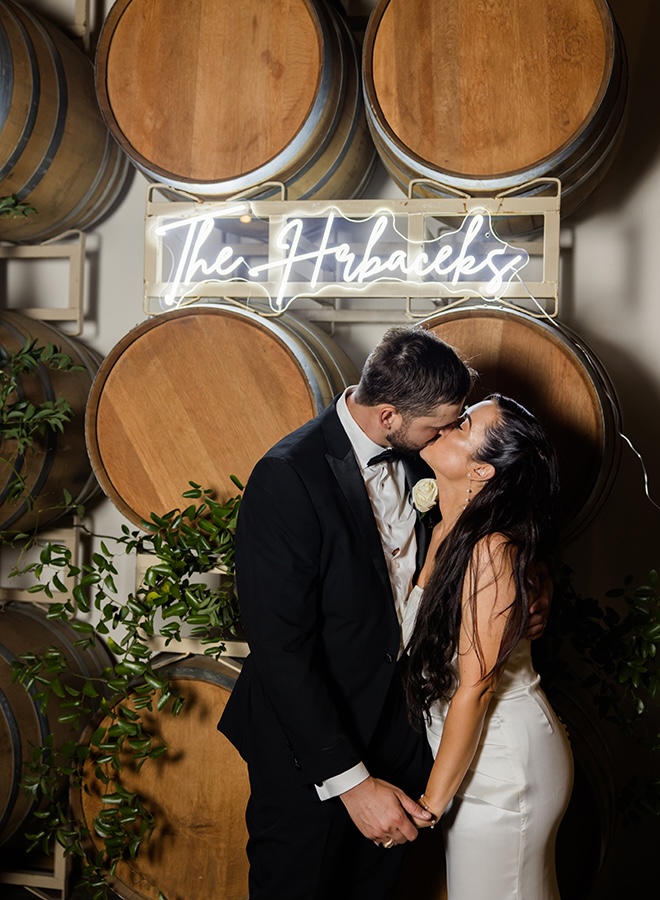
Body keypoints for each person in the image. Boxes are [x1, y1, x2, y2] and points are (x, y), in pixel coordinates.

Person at [218, 326, 549, 900]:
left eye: (457, 423)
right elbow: (281, 650)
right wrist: (349, 784)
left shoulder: (430, 459)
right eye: (442, 425)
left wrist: (531, 597)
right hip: (312, 749)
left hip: (404, 735)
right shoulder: (288, 477)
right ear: (390, 415)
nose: (450, 434)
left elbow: (496, 525)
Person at [402, 394, 574, 900]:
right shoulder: (446, 531)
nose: (447, 425)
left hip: (501, 768)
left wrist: (430, 805)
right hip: (475, 758)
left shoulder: (491, 550)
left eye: (463, 425)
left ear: (481, 471)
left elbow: (474, 690)